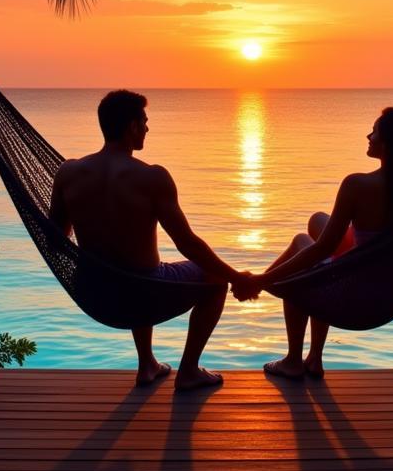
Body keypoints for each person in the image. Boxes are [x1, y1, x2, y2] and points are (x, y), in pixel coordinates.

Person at [50, 90, 252, 392]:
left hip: (94, 293)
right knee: (213, 280)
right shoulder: (152, 177)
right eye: (144, 121)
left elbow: (56, 239)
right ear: (132, 126)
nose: (147, 128)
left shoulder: (68, 172)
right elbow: (188, 244)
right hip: (142, 295)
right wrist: (236, 276)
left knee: (129, 271)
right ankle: (189, 371)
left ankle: (147, 364)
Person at [234, 107, 393, 379]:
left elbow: (321, 249)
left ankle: (292, 358)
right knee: (318, 221)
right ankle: (314, 359)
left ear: (390, 142)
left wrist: (262, 279)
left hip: (362, 293)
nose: (368, 136)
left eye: (375, 131)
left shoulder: (358, 185)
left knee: (303, 250)